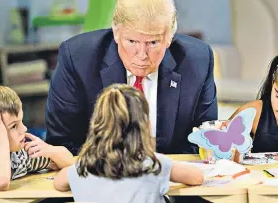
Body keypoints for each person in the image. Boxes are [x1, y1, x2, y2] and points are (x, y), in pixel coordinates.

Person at [45, 0, 217, 155]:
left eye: (153, 43)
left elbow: (205, 140)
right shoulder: (78, 58)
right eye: (132, 41)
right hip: (99, 175)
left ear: (169, 36)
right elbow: (62, 143)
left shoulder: (197, 61)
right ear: (116, 32)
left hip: (172, 177)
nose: (142, 55)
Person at [53, 84, 204, 203]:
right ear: (145, 125)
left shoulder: (81, 169)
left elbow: (59, 183)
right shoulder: (154, 165)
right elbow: (197, 177)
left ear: (96, 125)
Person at [0, 83, 75, 202]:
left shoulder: (18, 155)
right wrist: (0, 137)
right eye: (14, 126)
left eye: (21, 122)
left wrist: (50, 150)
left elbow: (70, 163)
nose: (24, 129)